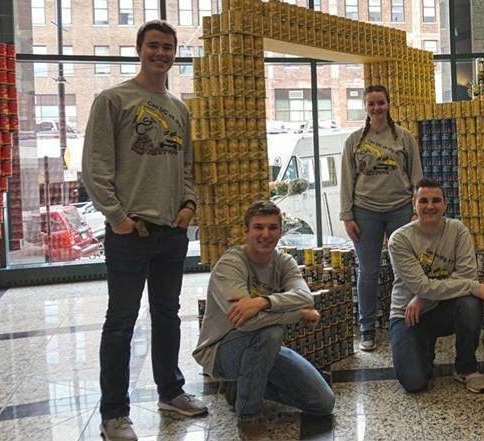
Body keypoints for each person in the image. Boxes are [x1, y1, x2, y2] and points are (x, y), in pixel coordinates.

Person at [81, 20, 205, 441]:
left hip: (171, 231)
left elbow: (186, 166)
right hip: (129, 231)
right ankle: (114, 413)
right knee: (121, 322)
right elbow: (95, 166)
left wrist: (189, 205)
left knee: (168, 316)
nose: (162, 53)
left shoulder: (179, 108)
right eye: (154, 46)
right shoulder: (113, 99)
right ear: (139, 50)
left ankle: (171, 391)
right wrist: (117, 217)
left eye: (168, 47)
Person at [193, 200, 335, 438]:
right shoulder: (230, 264)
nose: (265, 234)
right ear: (246, 231)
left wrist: (263, 302)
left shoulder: (284, 262)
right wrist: (296, 314)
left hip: (263, 349)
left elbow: (305, 297)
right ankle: (248, 417)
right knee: (271, 333)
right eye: (258, 227)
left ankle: (243, 387)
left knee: (322, 403)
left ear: (280, 231)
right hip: (221, 350)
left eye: (272, 227)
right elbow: (245, 322)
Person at [387, 178, 484, 394]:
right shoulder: (399, 240)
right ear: (413, 204)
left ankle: (466, 368)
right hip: (407, 314)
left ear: (445, 203)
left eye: (436, 200)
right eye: (423, 201)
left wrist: (424, 296)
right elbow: (425, 286)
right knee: (414, 382)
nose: (430, 206)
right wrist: (471, 286)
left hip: (442, 308)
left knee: (470, 303)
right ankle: (423, 346)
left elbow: (466, 274)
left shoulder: (458, 230)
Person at [340, 84, 424, 351]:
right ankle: (367, 329)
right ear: (366, 108)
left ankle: (407, 322)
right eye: (371, 104)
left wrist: (416, 210)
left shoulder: (404, 137)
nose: (376, 108)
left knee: (405, 269)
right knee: (368, 271)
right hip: (365, 212)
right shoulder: (354, 140)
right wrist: (347, 215)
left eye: (381, 103)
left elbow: (417, 176)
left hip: (400, 209)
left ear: (389, 105)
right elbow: (346, 180)